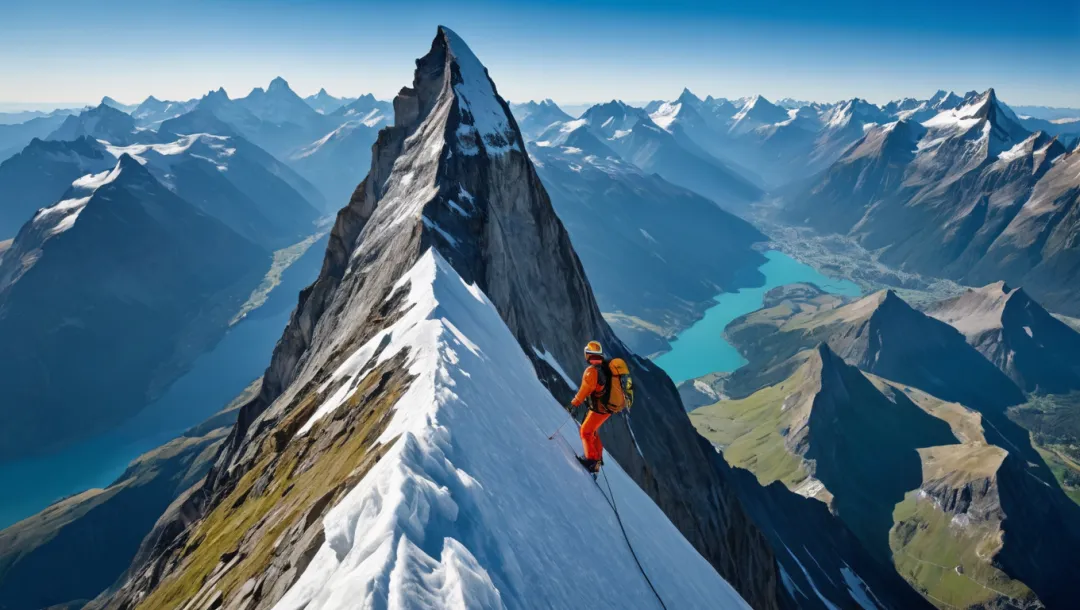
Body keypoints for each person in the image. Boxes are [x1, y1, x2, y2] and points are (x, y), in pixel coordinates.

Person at [569, 340, 626, 473]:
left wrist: (574, 404)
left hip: (599, 408)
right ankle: (597, 458)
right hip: (608, 408)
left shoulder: (592, 372)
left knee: (586, 431)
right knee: (593, 430)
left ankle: (592, 462)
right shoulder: (607, 369)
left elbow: (584, 390)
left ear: (588, 355)